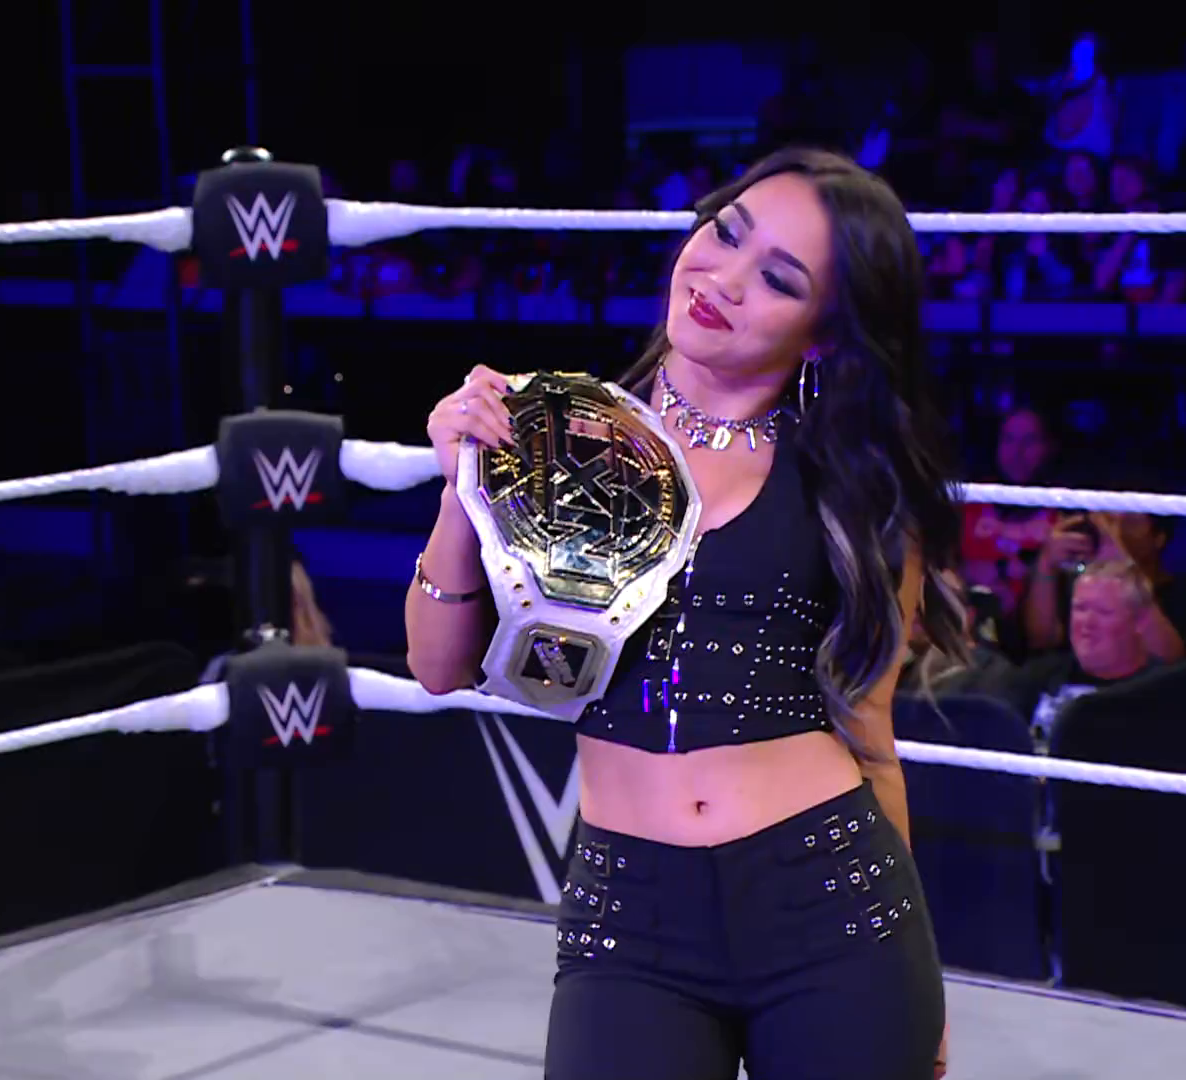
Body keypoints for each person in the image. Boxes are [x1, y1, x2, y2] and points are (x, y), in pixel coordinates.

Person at [406, 148, 958, 1080]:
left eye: (779, 279)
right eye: (725, 232)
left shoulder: (855, 489)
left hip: (833, 904)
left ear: (823, 334)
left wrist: (926, 989)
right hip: (630, 917)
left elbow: (871, 738)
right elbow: (435, 666)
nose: (723, 278)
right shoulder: (553, 432)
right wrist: (462, 487)